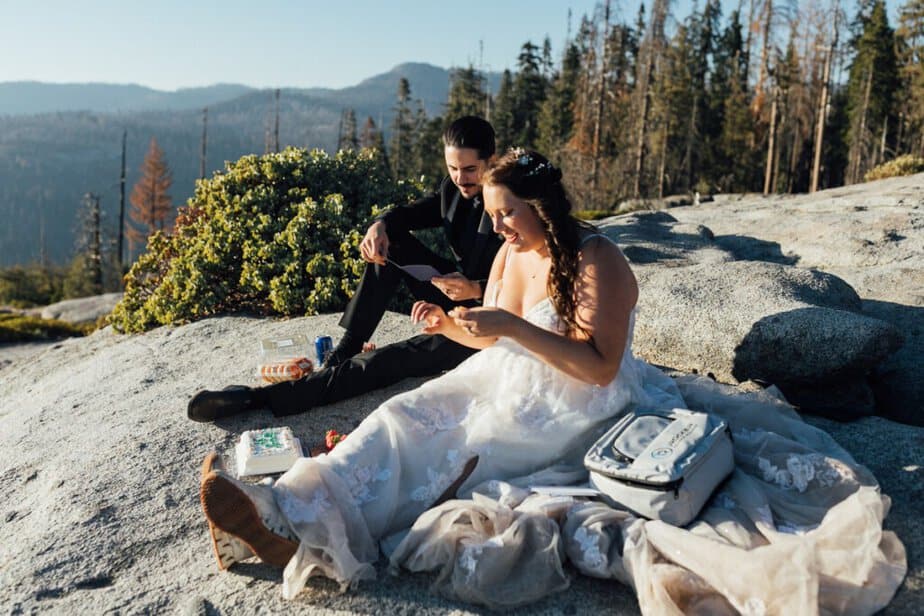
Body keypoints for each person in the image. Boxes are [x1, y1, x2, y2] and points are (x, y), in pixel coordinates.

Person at [198, 150, 905, 612]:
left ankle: (302, 530)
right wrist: (456, 323)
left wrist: (503, 330)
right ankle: (284, 515)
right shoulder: (512, 253)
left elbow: (596, 364)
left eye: (508, 212)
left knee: (455, 455)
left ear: (544, 207)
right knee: (406, 415)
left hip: (585, 403)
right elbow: (498, 318)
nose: (498, 225)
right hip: (506, 372)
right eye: (493, 214)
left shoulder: (602, 262)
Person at [187, 116, 504, 422]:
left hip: (489, 318)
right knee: (390, 243)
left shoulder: (511, 207)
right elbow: (410, 214)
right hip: (458, 292)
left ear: (492, 159)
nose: (461, 178)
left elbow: (532, 279)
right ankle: (346, 349)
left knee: (390, 360)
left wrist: (476, 287)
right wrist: (379, 225)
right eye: (453, 168)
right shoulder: (454, 189)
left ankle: (258, 398)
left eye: (470, 169)